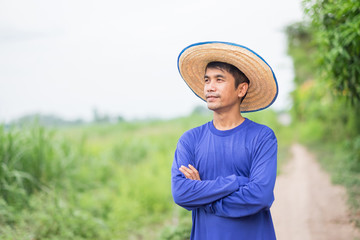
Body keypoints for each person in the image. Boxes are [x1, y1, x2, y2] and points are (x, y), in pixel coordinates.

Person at [171, 41, 278, 240]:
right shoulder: (190, 140)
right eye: (207, 80)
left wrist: (204, 197)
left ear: (241, 89)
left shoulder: (262, 137)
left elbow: (260, 196)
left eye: (219, 80)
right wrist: (236, 182)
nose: (210, 87)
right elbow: (181, 193)